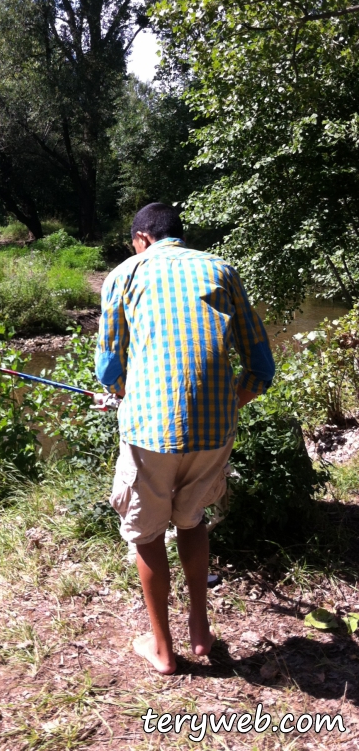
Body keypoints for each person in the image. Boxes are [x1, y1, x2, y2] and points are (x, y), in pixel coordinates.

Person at [95, 203, 274, 674]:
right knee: (191, 520)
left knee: (147, 532)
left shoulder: (125, 273)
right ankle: (200, 627)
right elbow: (262, 367)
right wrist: (229, 404)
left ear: (143, 238)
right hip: (215, 429)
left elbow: (109, 366)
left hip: (149, 432)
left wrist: (120, 394)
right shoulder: (221, 269)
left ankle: (161, 648)